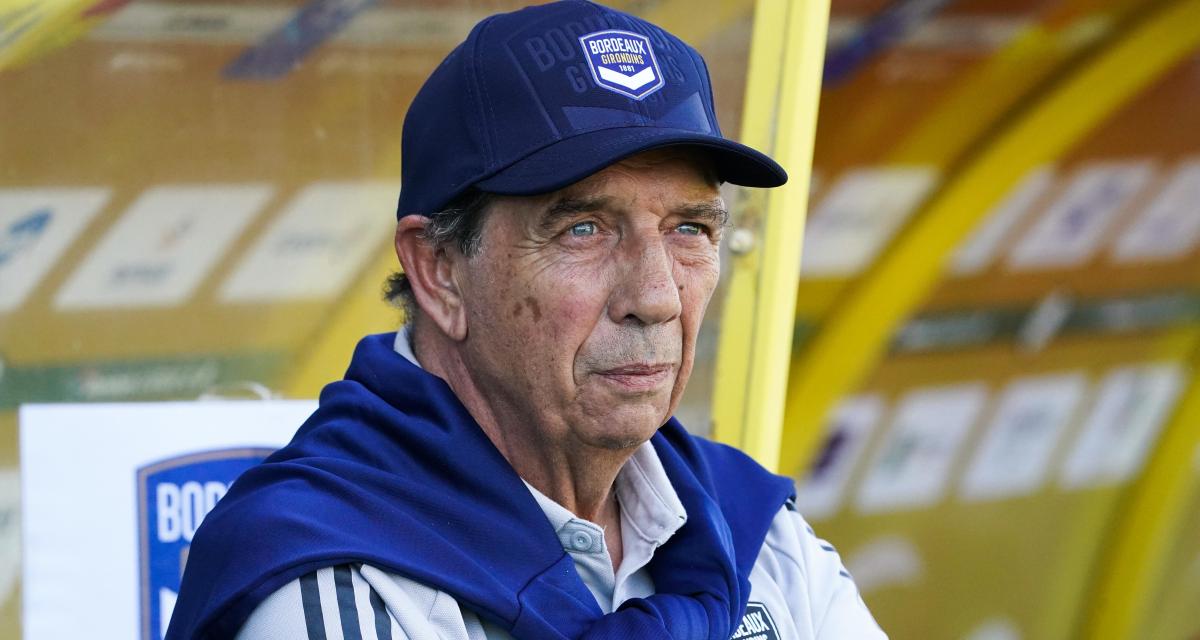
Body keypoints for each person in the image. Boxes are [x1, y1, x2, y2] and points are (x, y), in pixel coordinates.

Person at [168, 1, 887, 638]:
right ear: (439, 270)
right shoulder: (337, 580)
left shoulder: (754, 530)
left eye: (689, 229)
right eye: (584, 229)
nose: (657, 297)